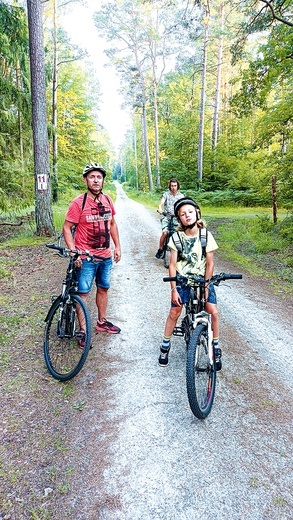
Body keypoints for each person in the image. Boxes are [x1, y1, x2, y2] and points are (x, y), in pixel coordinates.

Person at [158, 197, 221, 369]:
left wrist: (207, 286)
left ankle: (215, 344)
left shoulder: (206, 236)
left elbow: (210, 263)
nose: (187, 216)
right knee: (175, 311)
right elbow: (172, 264)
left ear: (197, 213)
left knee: (212, 311)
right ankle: (165, 344)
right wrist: (173, 289)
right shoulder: (176, 237)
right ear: (179, 219)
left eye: (190, 212)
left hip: (202, 278)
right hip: (182, 279)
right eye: (183, 214)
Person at [62, 162, 121, 335]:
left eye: (99, 177)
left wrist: (117, 246)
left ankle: (101, 322)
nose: (96, 181)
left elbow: (112, 224)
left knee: (103, 288)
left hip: (105, 256)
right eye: (92, 177)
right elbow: (66, 228)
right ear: (85, 180)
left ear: (103, 181)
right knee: (83, 293)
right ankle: (83, 331)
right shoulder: (78, 203)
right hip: (86, 257)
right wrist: (73, 251)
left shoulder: (107, 199)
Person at [155, 178, 184, 259]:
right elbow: (161, 203)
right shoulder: (166, 194)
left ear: (177, 186)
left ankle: (179, 252)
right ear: (169, 186)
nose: (173, 187)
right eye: (171, 186)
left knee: (178, 234)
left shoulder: (181, 196)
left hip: (176, 218)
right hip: (166, 217)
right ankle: (160, 249)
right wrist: (160, 208)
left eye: (175, 186)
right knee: (165, 233)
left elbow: (183, 206)